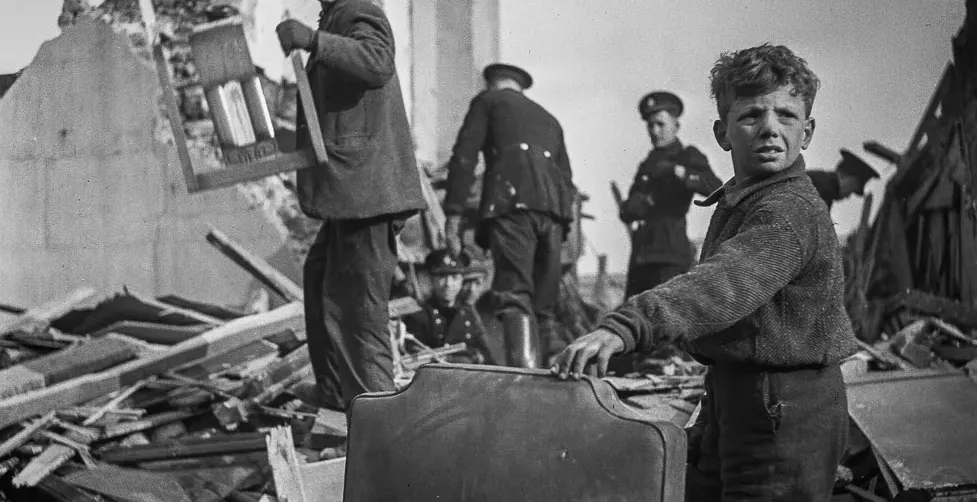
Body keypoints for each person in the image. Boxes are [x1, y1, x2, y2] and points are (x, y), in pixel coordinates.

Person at [553, 44, 859, 501]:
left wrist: (628, 325)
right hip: (736, 396)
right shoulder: (745, 195)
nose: (771, 129)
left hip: (784, 409)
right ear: (723, 132)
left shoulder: (788, 209)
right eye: (752, 115)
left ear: (808, 131)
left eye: (787, 116)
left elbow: (724, 282)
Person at [275, 0, 427, 411]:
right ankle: (335, 397)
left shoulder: (358, 8)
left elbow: (378, 62)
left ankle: (374, 417)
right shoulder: (337, 16)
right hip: (353, 194)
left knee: (358, 310)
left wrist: (312, 40)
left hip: (367, 194)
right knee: (319, 277)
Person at [443, 63, 577, 369]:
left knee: (514, 294)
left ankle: (525, 377)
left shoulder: (488, 101)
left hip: (511, 203)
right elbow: (566, 180)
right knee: (544, 304)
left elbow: (464, 157)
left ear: (492, 84)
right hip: (553, 215)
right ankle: (562, 383)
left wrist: (453, 215)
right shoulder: (550, 119)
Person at [621, 91, 722, 298]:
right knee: (633, 318)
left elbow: (715, 188)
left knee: (666, 317)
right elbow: (626, 211)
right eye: (650, 125)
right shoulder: (647, 165)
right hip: (641, 256)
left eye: (661, 124)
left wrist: (681, 172)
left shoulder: (687, 156)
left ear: (676, 126)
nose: (655, 131)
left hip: (670, 254)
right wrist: (646, 201)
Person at [400, 250, 494, 364]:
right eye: (442, 277)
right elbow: (412, 355)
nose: (448, 284)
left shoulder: (468, 313)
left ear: (461, 281)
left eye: (454, 277)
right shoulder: (419, 315)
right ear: (432, 280)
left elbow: (484, 354)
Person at [807, 149, 880, 211]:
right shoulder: (823, 188)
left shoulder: (820, 183)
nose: (848, 196)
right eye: (851, 190)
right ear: (844, 176)